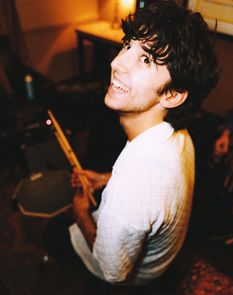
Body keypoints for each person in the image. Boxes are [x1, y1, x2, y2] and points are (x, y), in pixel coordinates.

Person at [45, 0, 219, 286]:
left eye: (146, 59)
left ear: (173, 95)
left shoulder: (133, 188)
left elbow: (114, 272)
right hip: (163, 258)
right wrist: (105, 179)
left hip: (136, 276)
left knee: (52, 233)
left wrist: (79, 212)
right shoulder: (180, 135)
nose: (116, 63)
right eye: (128, 45)